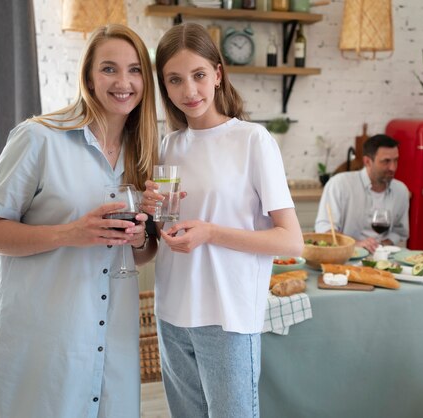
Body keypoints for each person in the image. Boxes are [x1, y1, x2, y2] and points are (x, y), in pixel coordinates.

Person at [0, 24, 159, 418]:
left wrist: (140, 239)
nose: (123, 82)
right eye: (109, 68)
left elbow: (136, 257)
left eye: (135, 69)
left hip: (113, 344)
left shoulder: (141, 155)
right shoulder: (39, 138)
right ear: (88, 75)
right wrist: (71, 233)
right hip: (45, 345)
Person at [141, 22, 303, 418]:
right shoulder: (168, 144)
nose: (189, 91)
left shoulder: (252, 140)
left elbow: (291, 241)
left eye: (198, 75)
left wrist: (210, 232)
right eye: (175, 80)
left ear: (217, 74)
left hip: (227, 317)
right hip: (172, 313)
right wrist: (151, 216)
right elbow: (160, 237)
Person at [314, 134, 409, 253]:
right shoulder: (340, 184)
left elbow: (399, 231)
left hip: (384, 257)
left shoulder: (401, 191)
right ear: (367, 161)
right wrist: (357, 244)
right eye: (386, 161)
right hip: (347, 256)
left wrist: (380, 245)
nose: (393, 168)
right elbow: (325, 228)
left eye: (396, 160)